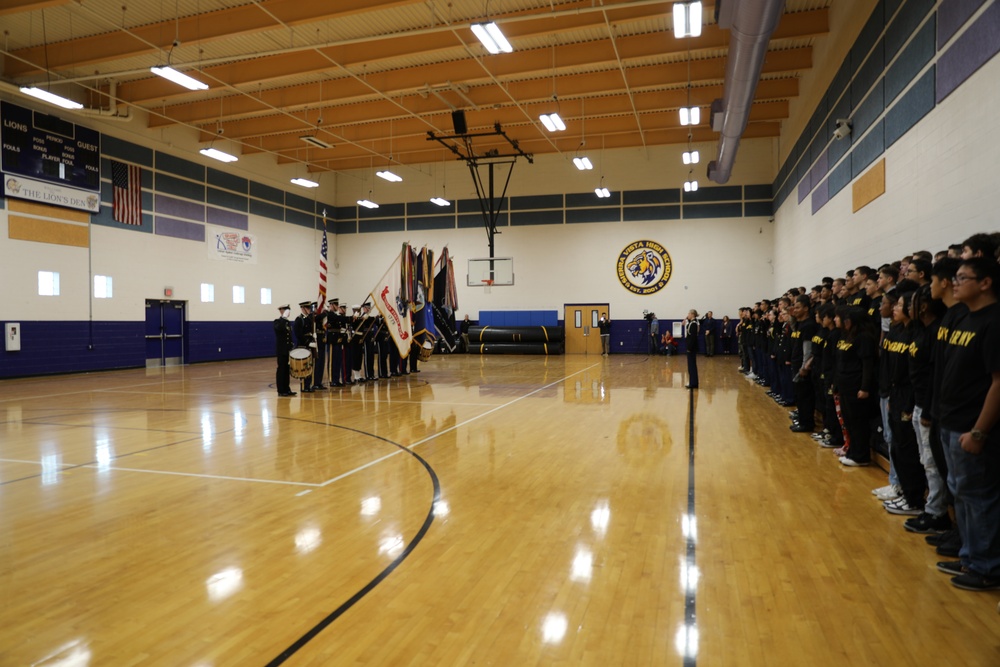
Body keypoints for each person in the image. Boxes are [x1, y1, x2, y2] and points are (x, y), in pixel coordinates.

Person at [935, 257, 1000, 591]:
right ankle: (969, 555)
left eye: (962, 277)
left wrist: (979, 431)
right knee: (962, 495)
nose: (954, 282)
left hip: (971, 426)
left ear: (985, 282)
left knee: (978, 498)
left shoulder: (993, 322)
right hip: (951, 420)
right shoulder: (964, 319)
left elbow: (998, 383)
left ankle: (986, 566)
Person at [293, 301, 316, 393]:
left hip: (310, 344)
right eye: (307, 308)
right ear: (303, 308)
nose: (309, 310)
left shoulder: (309, 319)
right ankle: (303, 386)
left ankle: (308, 384)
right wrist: (307, 342)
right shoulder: (299, 319)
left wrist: (313, 337)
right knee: (303, 367)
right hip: (303, 346)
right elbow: (298, 334)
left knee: (309, 366)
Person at [273, 305, 296, 397]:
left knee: (287, 370)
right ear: (281, 311)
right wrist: (283, 318)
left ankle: (287, 388)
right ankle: (281, 390)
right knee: (281, 370)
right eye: (286, 310)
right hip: (281, 350)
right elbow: (279, 328)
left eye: (288, 310)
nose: (288, 312)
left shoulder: (287, 322)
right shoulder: (277, 322)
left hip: (287, 350)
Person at [685, 309, 699, 389]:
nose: (688, 315)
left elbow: (693, 337)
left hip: (692, 348)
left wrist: (689, 348)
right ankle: (693, 382)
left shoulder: (693, 324)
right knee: (691, 366)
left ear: (693, 314)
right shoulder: (691, 323)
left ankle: (693, 383)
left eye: (689, 313)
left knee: (692, 366)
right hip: (690, 347)